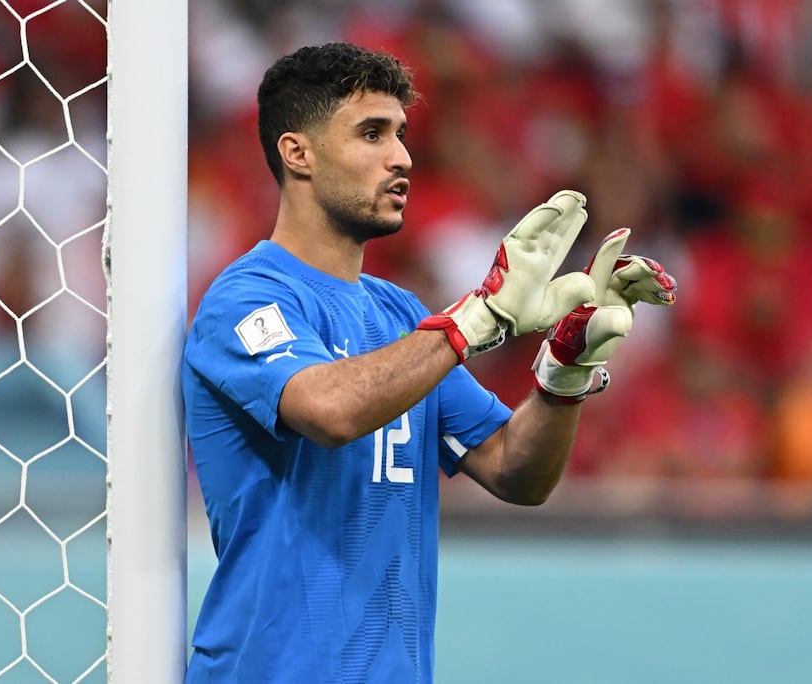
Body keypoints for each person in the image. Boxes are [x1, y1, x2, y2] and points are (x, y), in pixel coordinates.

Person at [181, 42, 676, 683]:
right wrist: (476, 319)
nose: (402, 157)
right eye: (371, 134)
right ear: (296, 152)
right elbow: (329, 409)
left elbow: (515, 472)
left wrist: (563, 371)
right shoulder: (244, 299)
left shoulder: (399, 316)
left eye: (402, 135)